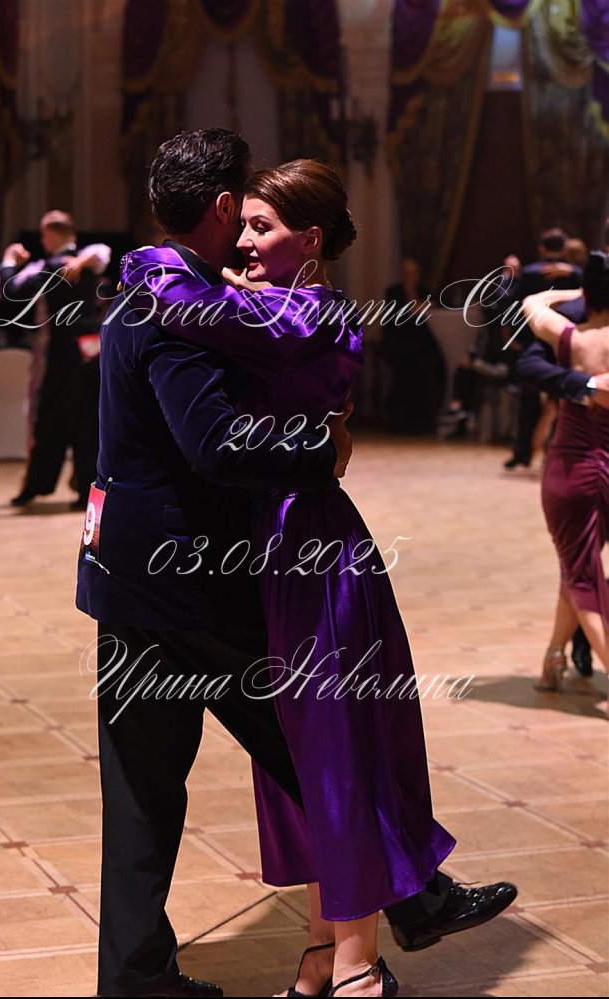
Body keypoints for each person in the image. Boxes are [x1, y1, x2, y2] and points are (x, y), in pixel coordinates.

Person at [121, 154, 517, 998]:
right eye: (242, 223)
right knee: (298, 757)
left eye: (262, 227)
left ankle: (357, 968)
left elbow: (192, 309)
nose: (245, 241)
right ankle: (321, 954)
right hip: (264, 551)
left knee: (336, 747)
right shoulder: (264, 305)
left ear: (309, 239)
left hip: (312, 548)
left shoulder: (313, 313)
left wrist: (142, 259)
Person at [77, 129, 358, 999]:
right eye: (245, 212)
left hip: (125, 571)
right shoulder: (186, 310)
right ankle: (412, 891)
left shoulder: (150, 286)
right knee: (314, 745)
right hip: (184, 582)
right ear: (226, 205)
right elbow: (216, 445)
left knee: (143, 790)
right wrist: (321, 452)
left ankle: (135, 976)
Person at [521, 253, 609, 694]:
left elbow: (531, 303)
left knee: (581, 573)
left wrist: (570, 290)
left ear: (589, 293)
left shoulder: (569, 336)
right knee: (579, 564)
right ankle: (555, 655)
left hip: (573, 468)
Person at [0, 211, 110, 509]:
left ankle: (37, 485)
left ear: (50, 235)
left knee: (51, 420)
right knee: (87, 422)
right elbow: (102, 252)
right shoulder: (87, 261)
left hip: (63, 355)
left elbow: (10, 290)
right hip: (91, 351)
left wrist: (8, 261)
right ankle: (86, 489)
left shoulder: (55, 266)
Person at [502, 229, 582, 471]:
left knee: (528, 399)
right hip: (566, 342)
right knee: (563, 400)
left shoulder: (528, 273)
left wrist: (508, 276)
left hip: (533, 342)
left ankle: (522, 452)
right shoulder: (575, 275)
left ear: (541, 248)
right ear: (564, 249)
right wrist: (574, 272)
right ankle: (558, 454)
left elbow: (507, 303)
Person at [382, 258, 446, 434]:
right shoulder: (394, 292)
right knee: (406, 372)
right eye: (407, 273)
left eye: (413, 272)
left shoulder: (424, 291)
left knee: (420, 370)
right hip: (398, 343)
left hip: (418, 344)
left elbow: (429, 311)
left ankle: (418, 421)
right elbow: (402, 317)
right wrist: (418, 306)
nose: (410, 276)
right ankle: (401, 421)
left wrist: (418, 306)